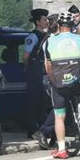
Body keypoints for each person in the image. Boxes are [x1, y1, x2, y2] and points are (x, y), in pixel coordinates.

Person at [45, 12, 80, 159]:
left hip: (59, 81)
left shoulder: (50, 41)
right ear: (72, 26)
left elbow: (48, 65)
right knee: (79, 99)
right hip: (76, 79)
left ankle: (61, 149)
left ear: (59, 25)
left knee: (59, 116)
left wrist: (52, 79)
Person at [32, 13, 60, 149]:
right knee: (59, 107)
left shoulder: (54, 39)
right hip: (51, 77)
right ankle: (43, 132)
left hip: (61, 76)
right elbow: (48, 62)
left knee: (61, 108)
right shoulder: (49, 40)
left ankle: (55, 138)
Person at [24, 8, 50, 139]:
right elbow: (26, 56)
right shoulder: (33, 36)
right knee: (33, 102)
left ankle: (42, 129)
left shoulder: (46, 36)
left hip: (42, 71)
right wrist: (29, 68)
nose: (47, 22)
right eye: (44, 20)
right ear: (38, 22)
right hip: (34, 72)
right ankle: (32, 129)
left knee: (42, 102)